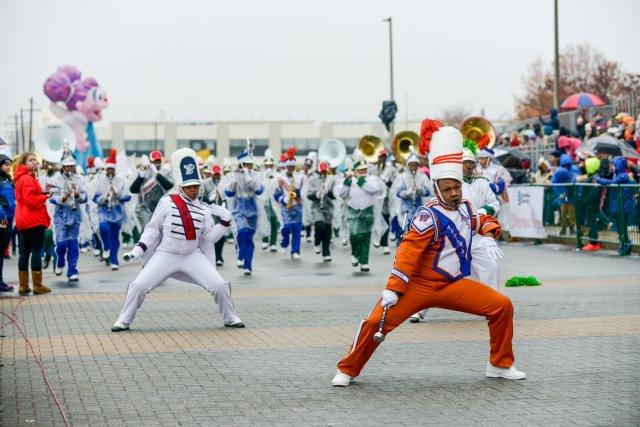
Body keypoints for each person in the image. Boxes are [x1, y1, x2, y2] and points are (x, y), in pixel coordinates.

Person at [331, 121, 525, 387]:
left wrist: (490, 232)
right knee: (377, 321)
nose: (453, 193)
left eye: (456, 187)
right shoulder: (427, 215)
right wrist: (393, 288)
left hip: (451, 284)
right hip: (418, 285)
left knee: (502, 305)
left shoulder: (465, 207)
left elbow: (481, 221)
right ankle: (348, 368)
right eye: (447, 189)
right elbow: (407, 253)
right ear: (436, 188)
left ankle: (500, 364)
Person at [111, 148, 244, 332]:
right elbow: (152, 230)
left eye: (196, 186)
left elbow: (211, 237)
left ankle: (230, 317)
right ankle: (124, 320)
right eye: (189, 187)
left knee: (220, 285)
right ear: (181, 187)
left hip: (192, 255)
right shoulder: (167, 202)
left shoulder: (204, 210)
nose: (193, 190)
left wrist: (225, 221)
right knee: (139, 286)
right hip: (166, 254)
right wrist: (138, 250)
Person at [14, 152, 52, 294]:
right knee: (35, 250)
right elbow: (30, 200)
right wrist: (44, 197)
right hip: (33, 220)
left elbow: (26, 198)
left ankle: (23, 285)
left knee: (24, 252)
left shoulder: (22, 178)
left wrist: (41, 194)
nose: (35, 162)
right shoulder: (27, 179)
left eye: (35, 160)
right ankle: (37, 285)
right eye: (31, 160)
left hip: (23, 220)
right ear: (23, 163)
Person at [224, 150, 264, 275]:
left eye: (250, 164)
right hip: (239, 208)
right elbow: (228, 193)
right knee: (240, 232)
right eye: (246, 164)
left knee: (248, 238)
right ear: (241, 165)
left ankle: (248, 265)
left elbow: (259, 191)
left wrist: (249, 179)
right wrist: (234, 181)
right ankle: (240, 255)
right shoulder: (234, 175)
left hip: (252, 209)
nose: (248, 166)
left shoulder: (256, 175)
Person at [49, 152, 87, 281]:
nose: (70, 168)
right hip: (60, 215)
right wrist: (64, 196)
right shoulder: (55, 179)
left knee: (73, 244)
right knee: (61, 244)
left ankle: (72, 271)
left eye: (72, 166)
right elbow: (52, 199)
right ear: (63, 166)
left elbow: (85, 198)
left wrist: (76, 194)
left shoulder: (79, 179)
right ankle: (60, 262)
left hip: (74, 215)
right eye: (67, 166)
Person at [335, 160, 379, 272]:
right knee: (355, 235)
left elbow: (375, 189)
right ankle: (355, 254)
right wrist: (347, 182)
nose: (363, 171)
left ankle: (364, 262)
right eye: (360, 170)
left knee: (365, 237)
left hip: (367, 210)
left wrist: (362, 182)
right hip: (353, 211)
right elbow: (341, 194)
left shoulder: (371, 179)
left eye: (364, 169)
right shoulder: (350, 180)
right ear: (355, 171)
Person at [92, 150, 131, 270]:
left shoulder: (121, 180)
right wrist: (104, 197)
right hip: (104, 210)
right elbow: (94, 197)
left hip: (117, 212)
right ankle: (106, 247)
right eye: (108, 169)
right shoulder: (100, 180)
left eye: (111, 169)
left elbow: (127, 197)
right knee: (103, 228)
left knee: (115, 237)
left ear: (115, 169)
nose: (109, 171)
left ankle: (114, 260)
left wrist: (117, 194)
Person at [129, 150, 173, 230]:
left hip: (161, 207)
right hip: (144, 208)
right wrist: (140, 176)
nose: (157, 163)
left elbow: (168, 186)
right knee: (147, 231)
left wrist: (157, 174)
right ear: (151, 161)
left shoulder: (167, 171)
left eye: (158, 161)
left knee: (161, 232)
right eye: (154, 161)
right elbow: (133, 189)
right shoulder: (143, 171)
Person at [274, 148, 304, 259]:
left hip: (297, 206)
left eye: (292, 166)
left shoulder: (300, 177)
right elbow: (276, 194)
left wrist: (298, 192)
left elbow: (304, 191)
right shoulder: (280, 178)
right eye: (289, 167)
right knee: (286, 228)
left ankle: (295, 251)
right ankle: (285, 242)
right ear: (286, 167)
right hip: (286, 207)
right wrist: (283, 199)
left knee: (296, 229)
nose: (291, 168)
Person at [306, 161, 335, 261]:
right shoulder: (312, 180)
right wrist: (317, 195)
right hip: (317, 207)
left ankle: (326, 253)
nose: (323, 174)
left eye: (325, 172)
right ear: (318, 171)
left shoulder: (331, 180)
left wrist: (328, 192)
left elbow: (334, 195)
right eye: (321, 172)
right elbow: (309, 195)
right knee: (319, 225)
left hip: (328, 207)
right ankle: (317, 242)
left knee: (327, 230)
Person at [395, 152, 431, 232]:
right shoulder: (402, 177)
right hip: (406, 207)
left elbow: (428, 192)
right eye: (412, 165)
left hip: (419, 206)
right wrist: (407, 193)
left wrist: (420, 191)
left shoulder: (422, 176)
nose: (414, 167)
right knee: (406, 228)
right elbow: (398, 192)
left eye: (415, 165)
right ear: (408, 165)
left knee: (418, 227)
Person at [202, 164, 226, 265]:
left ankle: (219, 255)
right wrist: (210, 200)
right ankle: (213, 255)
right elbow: (202, 197)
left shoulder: (224, 182)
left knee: (221, 233)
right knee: (211, 233)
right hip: (210, 211)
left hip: (221, 211)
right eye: (214, 174)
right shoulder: (205, 183)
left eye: (218, 175)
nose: (216, 176)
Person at [0, 155, 16, 292]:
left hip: (9, 219)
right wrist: (1, 213)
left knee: (1, 250)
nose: (9, 167)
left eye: (9, 165)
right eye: (6, 165)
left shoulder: (7, 179)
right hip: (2, 219)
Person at [551, 154, 577, 235]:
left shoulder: (571, 170)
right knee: (565, 212)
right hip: (565, 195)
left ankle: (570, 228)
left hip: (569, 195)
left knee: (569, 212)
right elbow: (555, 183)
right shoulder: (568, 170)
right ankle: (565, 228)